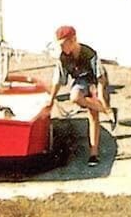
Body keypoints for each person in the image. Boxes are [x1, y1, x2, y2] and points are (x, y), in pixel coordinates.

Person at [48, 24, 117, 167]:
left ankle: (94, 153)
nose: (62, 48)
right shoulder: (63, 57)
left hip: (96, 80)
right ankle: (110, 113)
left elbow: (100, 78)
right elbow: (58, 80)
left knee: (93, 114)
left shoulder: (89, 53)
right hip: (81, 80)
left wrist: (101, 99)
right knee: (74, 97)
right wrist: (51, 98)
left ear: (73, 40)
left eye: (63, 44)